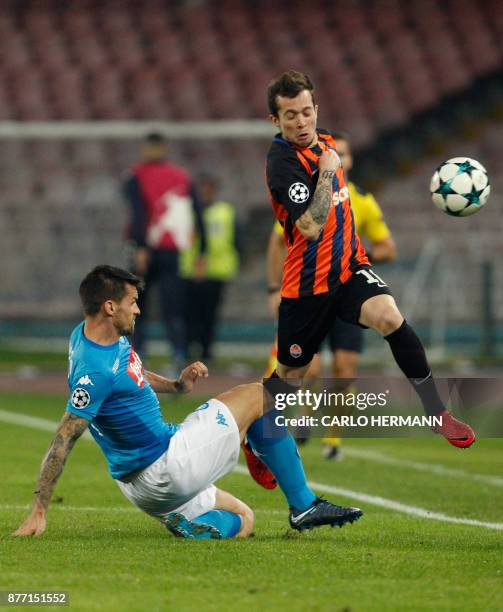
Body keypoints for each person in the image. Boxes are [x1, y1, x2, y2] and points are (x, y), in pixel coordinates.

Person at [13, 265, 363, 540]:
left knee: (243, 521)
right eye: (132, 302)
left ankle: (190, 521)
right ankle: (302, 504)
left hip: (143, 488)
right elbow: (63, 438)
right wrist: (39, 510)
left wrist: (177, 386)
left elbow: (131, 373)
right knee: (261, 395)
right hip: (166, 463)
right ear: (109, 306)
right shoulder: (95, 370)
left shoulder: (89, 336)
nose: (137, 309)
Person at [259, 70, 475, 457]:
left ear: (316, 109)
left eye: (306, 111)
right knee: (290, 377)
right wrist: (327, 172)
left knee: (390, 318)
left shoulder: (326, 142)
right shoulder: (282, 163)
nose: (301, 121)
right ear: (275, 120)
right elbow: (309, 226)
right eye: (290, 115)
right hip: (307, 285)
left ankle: (436, 411)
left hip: (349, 269)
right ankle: (258, 441)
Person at [266, 131, 397, 460]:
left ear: (348, 160)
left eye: (347, 153)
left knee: (344, 367)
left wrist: (351, 250)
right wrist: (273, 288)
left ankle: (334, 439)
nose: (342, 157)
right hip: (310, 291)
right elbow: (276, 242)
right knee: (308, 369)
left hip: (347, 290)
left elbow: (387, 248)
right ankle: (304, 419)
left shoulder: (364, 201)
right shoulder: (307, 193)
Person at [122, 132, 206, 369]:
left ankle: (137, 358)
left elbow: (138, 213)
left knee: (138, 305)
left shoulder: (135, 175)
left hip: (149, 249)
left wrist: (139, 246)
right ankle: (177, 356)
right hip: (171, 251)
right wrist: (203, 251)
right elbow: (198, 214)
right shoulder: (182, 176)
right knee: (173, 307)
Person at [181, 174, 240, 362]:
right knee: (189, 313)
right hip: (190, 270)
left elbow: (237, 238)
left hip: (216, 270)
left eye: (209, 188)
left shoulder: (225, 211)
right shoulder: (187, 212)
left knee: (209, 314)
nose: (205, 192)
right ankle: (189, 349)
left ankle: (207, 351)